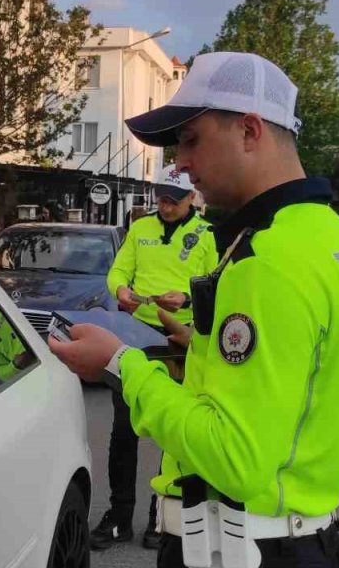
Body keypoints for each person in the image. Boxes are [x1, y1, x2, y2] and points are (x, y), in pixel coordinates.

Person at [49, 51, 339, 568]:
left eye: (191, 139)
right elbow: (300, 391)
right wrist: (200, 354)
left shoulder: (268, 258)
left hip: (242, 549)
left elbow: (235, 459)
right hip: (302, 538)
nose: (178, 164)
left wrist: (120, 363)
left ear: (250, 130)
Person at [94, 164, 218, 551]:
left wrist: (187, 296)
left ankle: (160, 516)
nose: (163, 205)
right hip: (136, 335)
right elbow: (118, 271)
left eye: (172, 200)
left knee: (174, 431)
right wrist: (121, 291)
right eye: (160, 197)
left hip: (182, 340)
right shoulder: (141, 228)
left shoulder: (208, 235)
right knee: (123, 429)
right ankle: (119, 516)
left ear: (190, 199)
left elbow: (218, 283)